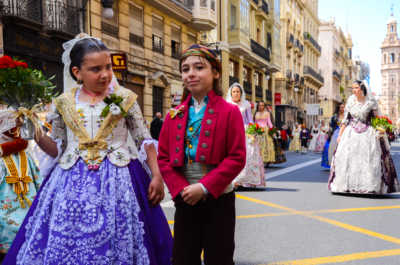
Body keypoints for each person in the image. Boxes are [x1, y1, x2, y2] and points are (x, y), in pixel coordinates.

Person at [4, 35, 173, 264]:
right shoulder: (63, 102)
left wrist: (156, 174)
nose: (105, 74)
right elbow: (57, 148)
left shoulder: (125, 98)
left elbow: (143, 138)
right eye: (95, 69)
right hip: (68, 182)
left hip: (120, 178)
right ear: (77, 72)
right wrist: (34, 127)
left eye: (108, 67)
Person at [158, 44, 246, 265]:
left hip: (219, 199)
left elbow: (237, 157)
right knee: (183, 258)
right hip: (185, 198)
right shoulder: (173, 115)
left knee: (220, 257)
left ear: (215, 73)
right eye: (185, 69)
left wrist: (204, 187)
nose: (191, 74)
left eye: (199, 67)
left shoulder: (230, 111)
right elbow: (163, 158)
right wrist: (180, 189)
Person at [328, 80, 400, 194]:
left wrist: (380, 130)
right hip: (350, 133)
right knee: (347, 158)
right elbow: (346, 119)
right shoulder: (350, 101)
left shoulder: (371, 102)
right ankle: (347, 185)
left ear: (362, 89)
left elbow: (377, 119)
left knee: (368, 158)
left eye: (356, 88)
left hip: (368, 133)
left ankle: (369, 185)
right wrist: (340, 135)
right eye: (353, 88)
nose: (354, 90)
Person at [0, 110, 43, 262]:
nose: (16, 131)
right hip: (5, 207)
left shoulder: (26, 155)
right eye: (13, 127)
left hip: (27, 202)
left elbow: (37, 179)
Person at [226, 83, 265, 188]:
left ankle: (249, 181)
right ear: (231, 93)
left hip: (245, 132)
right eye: (234, 92)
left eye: (238, 91)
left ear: (241, 93)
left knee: (249, 155)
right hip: (232, 133)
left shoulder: (246, 104)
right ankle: (234, 181)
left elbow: (250, 120)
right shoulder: (227, 104)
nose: (236, 93)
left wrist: (253, 131)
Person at [321, 103, 344, 169]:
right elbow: (331, 125)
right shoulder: (335, 116)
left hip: (345, 133)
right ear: (339, 108)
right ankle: (332, 163)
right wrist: (330, 133)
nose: (343, 109)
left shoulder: (347, 116)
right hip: (336, 133)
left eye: (343, 107)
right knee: (332, 147)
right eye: (341, 107)